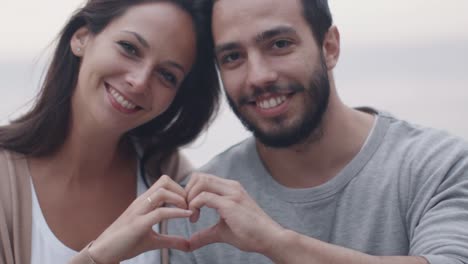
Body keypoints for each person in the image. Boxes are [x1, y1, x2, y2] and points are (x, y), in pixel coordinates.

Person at [168, 0, 468, 263]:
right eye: (233, 57)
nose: (258, 76)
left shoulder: (440, 165)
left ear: (329, 48)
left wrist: (276, 242)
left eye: (279, 44)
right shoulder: (197, 210)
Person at [0, 0, 219, 263]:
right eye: (129, 48)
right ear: (81, 38)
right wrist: (99, 257)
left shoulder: (170, 176)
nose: (139, 82)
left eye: (167, 75)